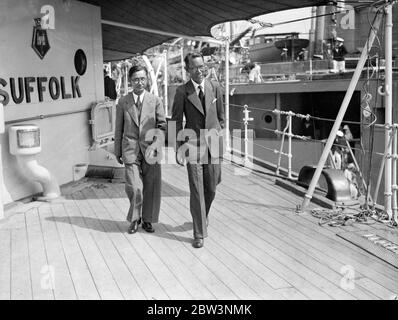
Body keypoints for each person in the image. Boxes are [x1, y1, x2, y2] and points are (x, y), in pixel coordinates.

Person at [171, 52, 225, 249]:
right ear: (188, 70)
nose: (200, 70)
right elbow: (175, 121)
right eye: (195, 67)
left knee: (211, 187)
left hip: (213, 145)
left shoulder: (215, 87)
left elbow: (221, 117)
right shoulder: (181, 92)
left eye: (202, 66)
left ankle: (203, 215)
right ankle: (199, 232)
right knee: (196, 190)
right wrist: (178, 148)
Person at [114, 65, 166, 234]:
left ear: (147, 80)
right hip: (130, 150)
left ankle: (148, 220)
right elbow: (118, 129)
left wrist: (155, 144)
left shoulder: (155, 101)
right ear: (130, 81)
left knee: (151, 186)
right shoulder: (123, 102)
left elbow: (162, 126)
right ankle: (135, 218)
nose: (140, 82)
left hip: (151, 150)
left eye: (143, 79)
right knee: (135, 187)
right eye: (136, 79)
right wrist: (117, 151)